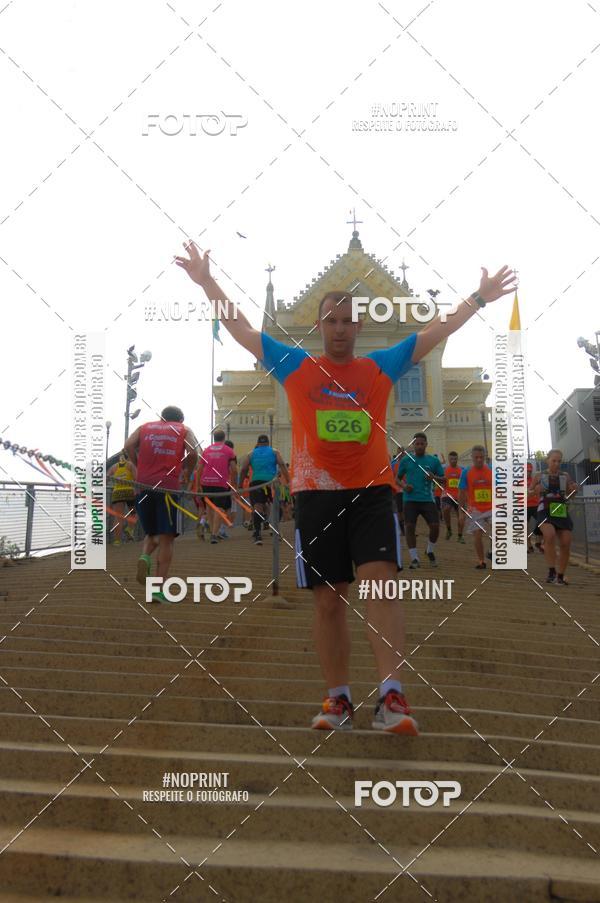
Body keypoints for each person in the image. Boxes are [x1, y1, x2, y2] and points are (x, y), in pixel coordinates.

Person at [176, 240, 515, 733]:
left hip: (372, 492)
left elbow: (437, 330)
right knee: (329, 599)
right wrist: (207, 281)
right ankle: (338, 699)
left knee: (381, 584)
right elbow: (243, 329)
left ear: (359, 326)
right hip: (315, 496)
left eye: (347, 321)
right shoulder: (296, 365)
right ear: (319, 326)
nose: (339, 328)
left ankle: (392, 695)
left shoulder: (380, 366)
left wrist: (480, 297)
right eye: (331, 320)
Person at [125, 406, 198, 603]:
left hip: (143, 485)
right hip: (168, 487)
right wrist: (186, 471)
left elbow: (128, 445)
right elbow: (193, 453)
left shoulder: (144, 427)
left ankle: (145, 556)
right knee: (166, 538)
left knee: (151, 533)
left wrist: (138, 465)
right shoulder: (183, 430)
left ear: (162, 417)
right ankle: (157, 590)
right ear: (180, 420)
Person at [395, 434, 445, 569]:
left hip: (427, 499)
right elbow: (397, 478)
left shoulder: (433, 461)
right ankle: (414, 558)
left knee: (435, 526)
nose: (419, 446)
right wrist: (404, 486)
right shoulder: (406, 460)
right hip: (410, 499)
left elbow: (444, 479)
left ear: (426, 444)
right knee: (409, 527)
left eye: (422, 444)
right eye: (417, 444)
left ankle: (429, 550)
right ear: (413, 445)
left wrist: (434, 477)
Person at [530, 450, 578, 585]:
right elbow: (527, 493)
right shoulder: (539, 475)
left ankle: (560, 576)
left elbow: (570, 495)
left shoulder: (565, 475)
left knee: (566, 542)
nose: (557, 464)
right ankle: (552, 571)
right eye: (554, 461)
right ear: (547, 460)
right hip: (544, 509)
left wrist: (574, 490)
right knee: (549, 535)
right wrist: (534, 491)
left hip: (560, 509)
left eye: (559, 461)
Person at [239, 435, 290, 545]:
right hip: (271, 482)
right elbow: (282, 464)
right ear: (268, 443)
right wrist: (289, 480)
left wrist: (240, 485)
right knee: (277, 506)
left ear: (258, 443)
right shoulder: (274, 452)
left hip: (256, 483)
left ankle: (257, 534)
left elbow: (243, 469)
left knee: (258, 507)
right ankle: (275, 530)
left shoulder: (251, 454)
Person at [197, 429, 237, 543]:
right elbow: (234, 470)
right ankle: (214, 534)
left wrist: (198, 484)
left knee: (209, 508)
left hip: (206, 482)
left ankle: (211, 530)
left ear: (214, 438)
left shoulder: (206, 450)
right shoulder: (229, 450)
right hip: (221, 483)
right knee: (219, 508)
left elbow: (199, 469)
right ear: (224, 438)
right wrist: (234, 486)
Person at [459, 445, 493, 569]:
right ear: (472, 457)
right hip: (475, 509)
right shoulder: (466, 472)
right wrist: (461, 512)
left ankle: (491, 550)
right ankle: (481, 561)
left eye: (481, 457)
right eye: (476, 457)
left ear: (485, 457)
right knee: (477, 535)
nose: (479, 459)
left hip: (492, 507)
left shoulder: (492, 470)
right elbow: (461, 492)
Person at [108, 453, 136, 545]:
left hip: (117, 492)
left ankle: (117, 541)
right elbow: (136, 479)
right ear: (128, 457)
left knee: (118, 517)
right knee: (134, 513)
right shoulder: (130, 465)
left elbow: (106, 479)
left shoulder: (113, 467)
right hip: (129, 491)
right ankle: (130, 529)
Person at [442, 451, 465, 542]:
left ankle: (460, 536)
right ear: (449, 459)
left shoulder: (462, 470)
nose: (453, 461)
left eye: (455, 459)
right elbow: (442, 480)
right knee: (446, 509)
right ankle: (449, 529)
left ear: (457, 459)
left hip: (459, 495)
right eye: (451, 459)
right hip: (447, 494)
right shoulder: (445, 469)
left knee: (460, 516)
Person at [526, 462, 543, 554]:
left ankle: (538, 542)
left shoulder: (535, 480)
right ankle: (529, 546)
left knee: (542, 522)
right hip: (524, 506)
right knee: (525, 527)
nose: (528, 472)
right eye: (526, 471)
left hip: (536, 505)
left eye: (529, 471)